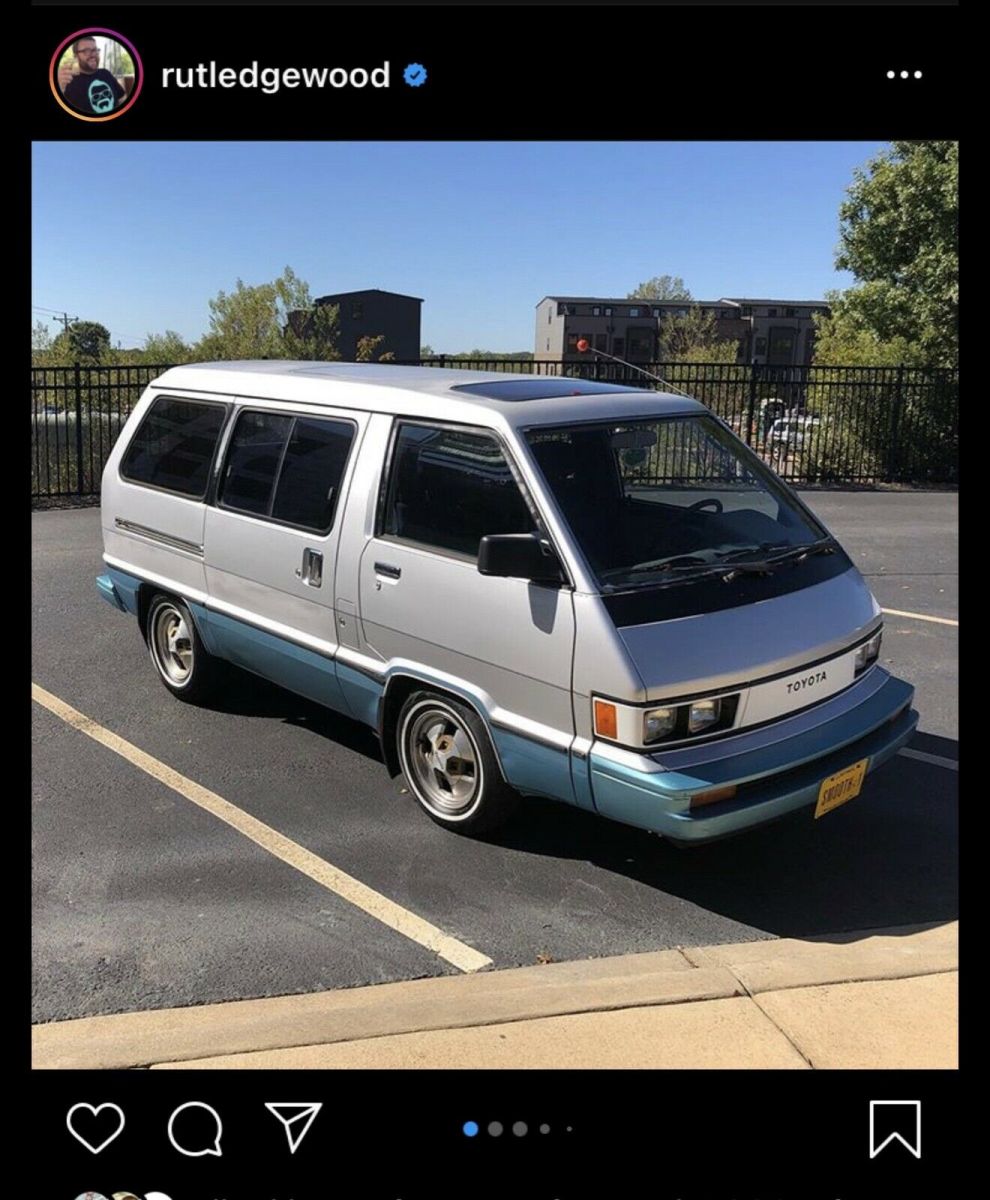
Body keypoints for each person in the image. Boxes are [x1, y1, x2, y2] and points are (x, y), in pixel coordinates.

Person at [57, 37, 126, 115]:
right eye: (86, 51)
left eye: (95, 50)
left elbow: (122, 97)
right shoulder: (67, 81)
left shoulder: (106, 73)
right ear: (76, 56)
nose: (93, 54)